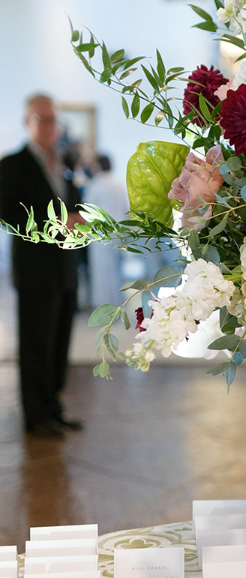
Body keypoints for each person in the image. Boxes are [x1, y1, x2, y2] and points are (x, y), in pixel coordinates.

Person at [0, 94, 83, 437]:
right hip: (35, 270)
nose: (51, 127)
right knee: (36, 343)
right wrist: (56, 224)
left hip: (65, 266)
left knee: (59, 342)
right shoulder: (12, 164)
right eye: (44, 120)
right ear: (27, 122)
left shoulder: (62, 161)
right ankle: (36, 417)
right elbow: (8, 215)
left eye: (54, 120)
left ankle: (53, 407)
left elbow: (75, 205)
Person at [87, 153, 129, 308]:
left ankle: (103, 305)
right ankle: (118, 303)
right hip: (117, 233)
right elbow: (126, 210)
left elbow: (88, 211)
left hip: (100, 235)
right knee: (116, 269)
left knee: (101, 272)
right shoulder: (118, 185)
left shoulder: (95, 185)